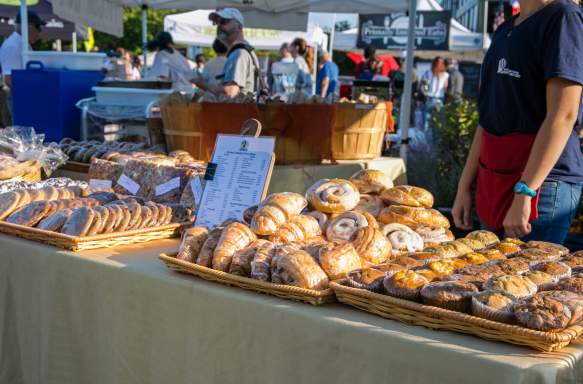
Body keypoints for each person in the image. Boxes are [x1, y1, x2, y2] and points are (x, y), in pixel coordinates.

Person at [452, 0, 583, 244]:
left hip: (542, 184)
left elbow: (564, 115)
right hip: (495, 176)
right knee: (486, 278)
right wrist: (464, 186)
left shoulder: (563, 17)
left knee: (526, 279)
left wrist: (526, 190)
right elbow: (488, 117)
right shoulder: (505, 29)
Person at [193, 8, 263, 98]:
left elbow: (231, 92)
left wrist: (199, 82)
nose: (219, 26)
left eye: (223, 21)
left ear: (239, 26)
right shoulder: (244, 49)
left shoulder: (239, 53)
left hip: (238, 111)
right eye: (216, 23)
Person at [0, 10, 45, 89]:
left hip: (23, 95)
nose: (40, 31)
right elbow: (9, 79)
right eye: (38, 26)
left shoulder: (21, 44)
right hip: (21, 97)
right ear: (28, 26)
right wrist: (33, 91)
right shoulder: (12, 46)